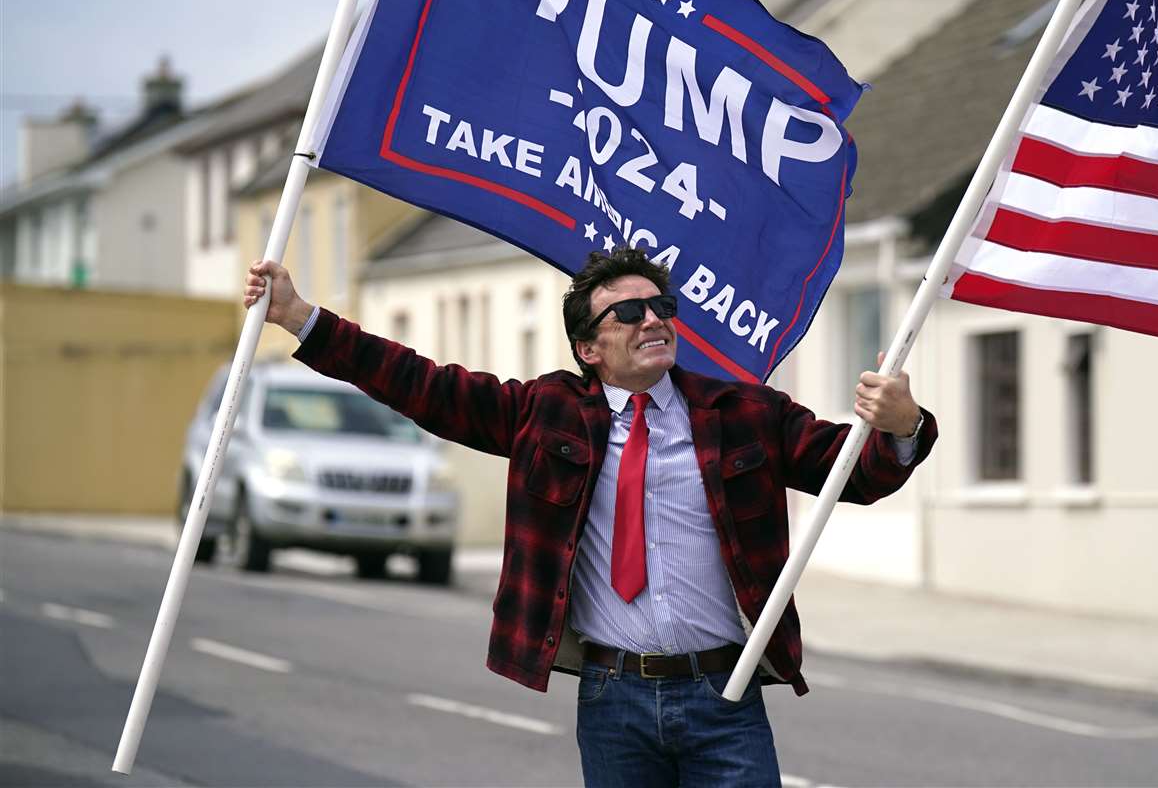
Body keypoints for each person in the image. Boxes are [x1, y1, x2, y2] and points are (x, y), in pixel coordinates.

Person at [244, 246, 936, 787]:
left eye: (660, 304)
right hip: (613, 698)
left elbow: (854, 472)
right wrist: (300, 315)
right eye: (628, 314)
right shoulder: (544, 413)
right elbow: (421, 384)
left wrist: (901, 428)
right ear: (588, 348)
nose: (654, 319)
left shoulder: (745, 413)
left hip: (725, 693)